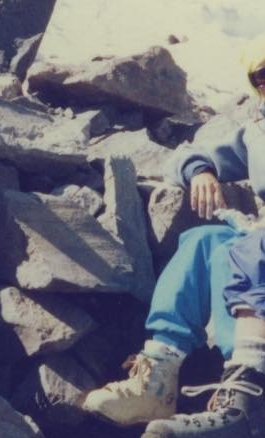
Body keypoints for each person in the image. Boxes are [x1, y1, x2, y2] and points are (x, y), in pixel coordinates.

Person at [82, 34, 265, 437]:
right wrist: (200, 169)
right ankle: (159, 376)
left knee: (253, 247)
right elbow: (185, 152)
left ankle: (248, 400)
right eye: (264, 76)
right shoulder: (257, 133)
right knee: (204, 243)